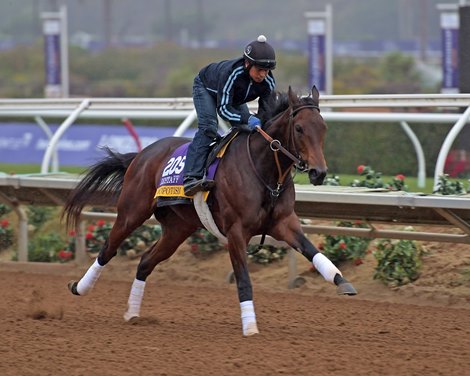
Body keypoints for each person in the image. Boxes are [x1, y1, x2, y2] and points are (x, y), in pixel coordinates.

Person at [182, 35, 277, 196]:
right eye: (259, 69)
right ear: (247, 64)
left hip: (233, 96)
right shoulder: (232, 74)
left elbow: (267, 112)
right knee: (209, 127)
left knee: (249, 130)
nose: (263, 75)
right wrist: (247, 118)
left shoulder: (268, 82)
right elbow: (224, 109)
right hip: (206, 88)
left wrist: (262, 123)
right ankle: (191, 177)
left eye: (266, 70)